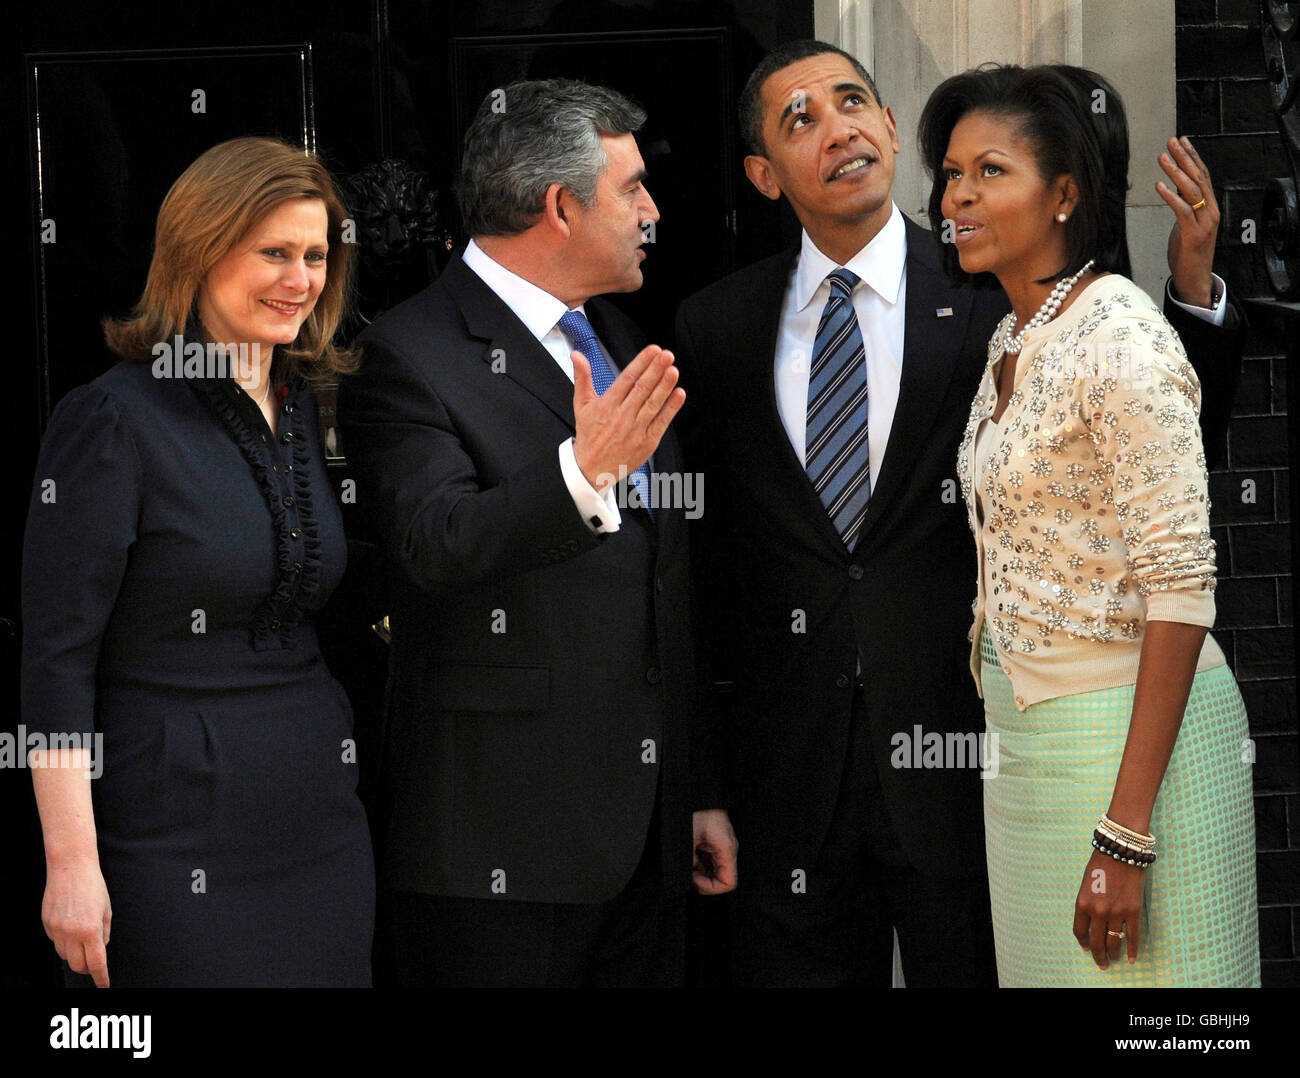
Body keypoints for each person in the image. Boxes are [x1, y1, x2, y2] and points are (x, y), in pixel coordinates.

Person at [673, 39, 1244, 987]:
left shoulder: (1002, 289)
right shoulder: (716, 327)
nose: (838, 128)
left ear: (889, 126)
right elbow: (702, 564)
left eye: (853, 100)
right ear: (763, 176)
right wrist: (703, 782)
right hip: (792, 784)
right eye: (799, 118)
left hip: (979, 761)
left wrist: (1190, 293)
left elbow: (1171, 490)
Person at [337, 78, 737, 988]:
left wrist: (696, 788)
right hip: (499, 846)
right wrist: (580, 473)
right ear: (560, 205)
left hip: (647, 838)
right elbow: (434, 541)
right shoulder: (407, 353)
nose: (653, 211)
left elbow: (664, 583)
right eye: (632, 189)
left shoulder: (617, 334)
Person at [919, 63, 1259, 986]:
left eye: (990, 171)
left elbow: (1182, 589)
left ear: (1065, 194)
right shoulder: (1014, 335)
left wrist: (1126, 836)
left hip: (1131, 753)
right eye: (951, 174)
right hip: (1027, 749)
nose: (958, 197)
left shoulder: (1122, 334)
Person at [21, 136, 375, 987]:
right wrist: (71, 866)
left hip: (317, 819)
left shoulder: (303, 409)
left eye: (317, 256)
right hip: (168, 826)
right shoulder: (112, 419)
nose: (302, 280)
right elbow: (56, 659)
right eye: (275, 254)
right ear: (201, 250)